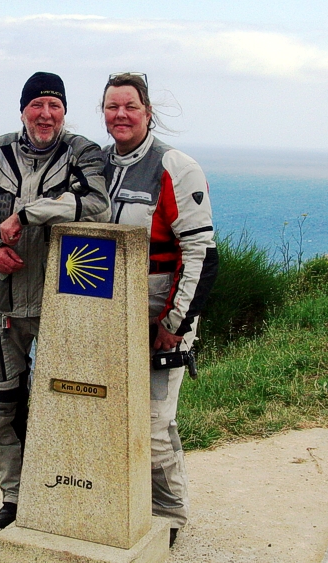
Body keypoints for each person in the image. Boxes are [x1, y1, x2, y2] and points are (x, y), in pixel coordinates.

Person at [0, 71, 111, 535]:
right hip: (1, 307)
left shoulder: (82, 153)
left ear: (64, 111)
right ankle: (15, 497)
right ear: (23, 110)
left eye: (54, 106)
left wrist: (28, 213)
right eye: (37, 105)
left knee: (70, 402)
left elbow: (95, 203)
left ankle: (71, 492)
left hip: (62, 307)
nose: (45, 114)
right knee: (6, 405)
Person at [99, 72, 219, 548]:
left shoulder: (175, 166)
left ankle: (169, 515)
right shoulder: (96, 164)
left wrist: (174, 325)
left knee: (152, 422)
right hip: (109, 318)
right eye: (112, 107)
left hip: (161, 319)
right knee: (111, 417)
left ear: (148, 111)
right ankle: (125, 504)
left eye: (130, 106)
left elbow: (202, 255)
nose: (121, 115)